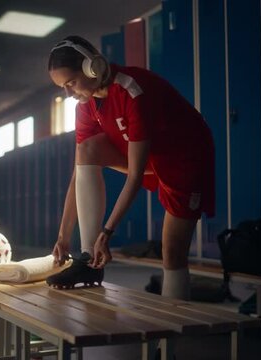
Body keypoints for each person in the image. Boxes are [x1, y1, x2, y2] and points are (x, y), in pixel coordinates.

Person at [45, 35, 215, 300]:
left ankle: (172, 334)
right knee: (86, 149)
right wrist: (63, 236)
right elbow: (78, 174)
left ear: (93, 67)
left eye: (71, 83)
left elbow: (134, 176)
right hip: (147, 155)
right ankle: (89, 261)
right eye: (62, 87)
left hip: (183, 160)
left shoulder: (132, 90)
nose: (68, 93)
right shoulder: (86, 105)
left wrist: (108, 232)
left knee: (173, 252)